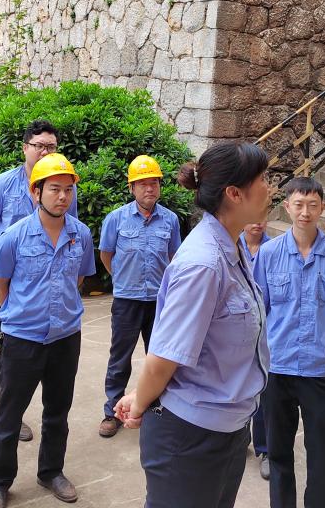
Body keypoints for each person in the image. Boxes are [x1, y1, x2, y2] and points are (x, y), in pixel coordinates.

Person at [115, 141, 271, 508]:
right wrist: (140, 403)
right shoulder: (204, 263)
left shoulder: (233, 247)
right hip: (191, 439)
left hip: (228, 428)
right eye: (263, 179)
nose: (270, 187)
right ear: (234, 193)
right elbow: (163, 359)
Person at [0, 153, 96, 508]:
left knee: (58, 412)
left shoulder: (81, 234)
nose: (62, 196)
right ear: (36, 192)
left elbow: (79, 278)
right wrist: (21, 314)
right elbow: (0, 282)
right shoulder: (14, 236)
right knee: (9, 416)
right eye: (54, 189)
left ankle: (51, 472)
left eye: (68, 190)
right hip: (22, 339)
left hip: (65, 338)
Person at [0, 120, 79, 460]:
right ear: (25, 147)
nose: (45, 151)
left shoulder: (62, 188)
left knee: (21, 359)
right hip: (5, 282)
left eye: (51, 146)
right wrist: (11, 256)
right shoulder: (3, 184)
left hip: (43, 286)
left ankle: (12, 414)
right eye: (39, 145)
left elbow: (69, 228)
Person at [254, 177, 325, 508]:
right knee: (278, 452)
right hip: (278, 370)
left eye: (313, 205)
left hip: (321, 372)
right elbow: (258, 314)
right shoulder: (268, 254)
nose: (305, 212)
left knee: (323, 454)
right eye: (298, 205)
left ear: (323, 207)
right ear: (287, 206)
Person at [97, 155, 182, 438]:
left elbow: (174, 257)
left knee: (159, 358)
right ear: (131, 187)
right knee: (119, 357)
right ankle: (112, 411)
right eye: (143, 184)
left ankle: (156, 408)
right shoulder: (116, 219)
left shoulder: (170, 220)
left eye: (154, 183)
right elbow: (106, 255)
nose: (149, 189)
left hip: (159, 301)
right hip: (126, 300)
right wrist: (122, 278)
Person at [241, 219, 272, 480]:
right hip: (236, 329)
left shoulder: (273, 249)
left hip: (266, 332)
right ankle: (239, 438)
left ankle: (265, 449)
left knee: (263, 391)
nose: (258, 223)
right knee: (238, 386)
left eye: (263, 217)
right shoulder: (230, 246)